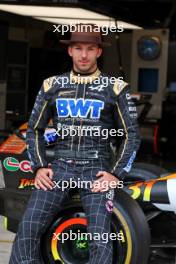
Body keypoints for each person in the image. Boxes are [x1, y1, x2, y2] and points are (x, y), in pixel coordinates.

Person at [9, 24, 140, 264]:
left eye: (90, 49)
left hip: (96, 169)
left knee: (100, 238)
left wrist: (116, 173)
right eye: (78, 48)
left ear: (99, 52)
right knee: (27, 227)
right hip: (60, 168)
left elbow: (132, 135)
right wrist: (38, 166)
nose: (83, 55)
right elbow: (34, 130)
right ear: (69, 51)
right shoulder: (52, 86)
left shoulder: (115, 88)